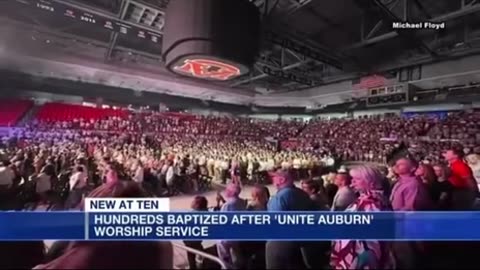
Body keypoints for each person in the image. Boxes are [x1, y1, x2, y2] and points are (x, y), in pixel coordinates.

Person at [330, 165, 395, 269]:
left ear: (370, 181)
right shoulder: (373, 199)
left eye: (356, 180)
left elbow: (371, 240)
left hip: (361, 258)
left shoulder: (372, 203)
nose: (352, 184)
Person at [266, 169, 323, 269]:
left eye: (274, 177)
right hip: (303, 244)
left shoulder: (279, 198)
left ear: (282, 179)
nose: (272, 180)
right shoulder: (302, 194)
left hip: (281, 246)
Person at [217, 183, 247, 269]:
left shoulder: (227, 205)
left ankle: (226, 266)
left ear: (230, 192)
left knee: (224, 255)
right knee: (237, 254)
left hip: (227, 236)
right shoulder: (241, 202)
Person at [184, 196, 208, 270]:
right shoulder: (205, 212)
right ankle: (201, 262)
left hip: (189, 240)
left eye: (193, 201)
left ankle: (193, 267)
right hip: (198, 239)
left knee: (191, 255)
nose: (191, 202)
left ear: (197, 205)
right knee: (198, 249)